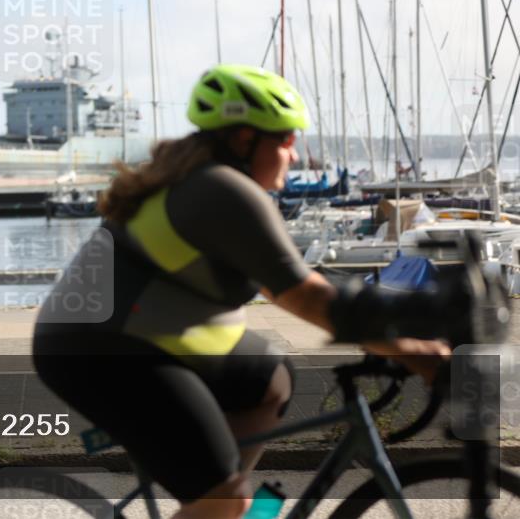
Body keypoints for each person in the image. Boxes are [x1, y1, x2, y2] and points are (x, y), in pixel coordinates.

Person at [32, 64, 450, 519]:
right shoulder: (219, 190)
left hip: (145, 333)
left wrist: (391, 337)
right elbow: (304, 296)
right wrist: (411, 349)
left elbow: (288, 285)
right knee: (222, 496)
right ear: (245, 140)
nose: (294, 156)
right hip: (101, 349)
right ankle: (221, 502)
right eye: (286, 141)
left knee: (271, 379)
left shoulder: (210, 181)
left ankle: (223, 507)